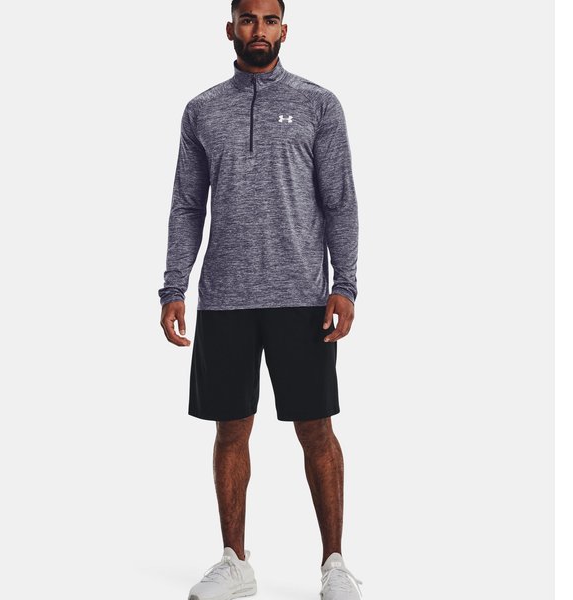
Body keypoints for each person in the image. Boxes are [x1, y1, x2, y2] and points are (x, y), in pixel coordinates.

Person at [158, 0, 362, 598]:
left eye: (270, 20)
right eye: (248, 19)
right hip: (225, 297)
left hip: (301, 294)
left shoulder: (319, 104)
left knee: (316, 429)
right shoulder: (202, 110)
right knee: (230, 429)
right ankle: (235, 560)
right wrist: (174, 285)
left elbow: (340, 199)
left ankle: (334, 564)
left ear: (284, 31)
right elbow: (187, 204)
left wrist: (345, 283)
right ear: (231, 29)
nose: (259, 30)